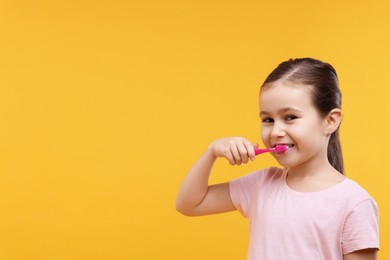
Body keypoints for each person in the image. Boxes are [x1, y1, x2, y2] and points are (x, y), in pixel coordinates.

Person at [176, 58, 379, 260]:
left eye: (290, 117)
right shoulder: (261, 185)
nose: (276, 131)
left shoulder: (354, 203)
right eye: (268, 120)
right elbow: (189, 204)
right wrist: (211, 152)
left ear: (330, 121)